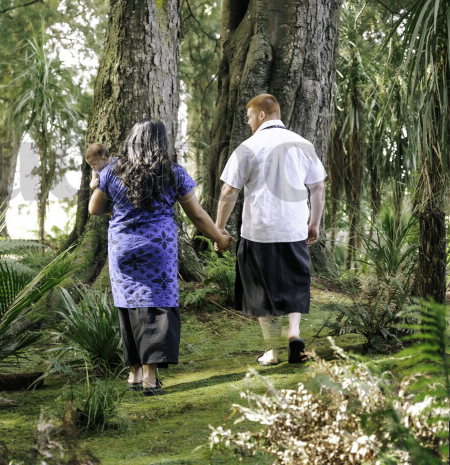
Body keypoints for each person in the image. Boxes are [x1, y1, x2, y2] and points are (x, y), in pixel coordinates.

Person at [89, 119, 233, 395]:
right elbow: (197, 215)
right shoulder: (173, 173)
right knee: (155, 306)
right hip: (158, 248)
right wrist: (220, 238)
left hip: (122, 247)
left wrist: (114, 208)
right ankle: (149, 379)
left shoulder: (112, 172)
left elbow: (94, 209)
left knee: (129, 305)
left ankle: (133, 374)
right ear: (160, 143)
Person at [214, 94, 326, 366]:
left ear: (262, 115)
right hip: (294, 229)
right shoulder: (304, 144)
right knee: (295, 282)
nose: (249, 122)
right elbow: (318, 187)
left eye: (250, 116)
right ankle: (295, 334)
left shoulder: (248, 147)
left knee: (261, 290)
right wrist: (314, 223)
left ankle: (272, 351)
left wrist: (219, 229)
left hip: (259, 231)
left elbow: (230, 190)